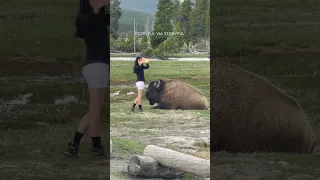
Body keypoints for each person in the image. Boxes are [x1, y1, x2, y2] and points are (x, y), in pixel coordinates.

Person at [64, 0, 110, 158]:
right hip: (96, 66)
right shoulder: (85, 19)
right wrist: (97, 8)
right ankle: (86, 146)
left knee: (95, 109)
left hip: (98, 66)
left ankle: (85, 146)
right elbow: (83, 27)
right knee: (95, 109)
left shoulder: (100, 19)